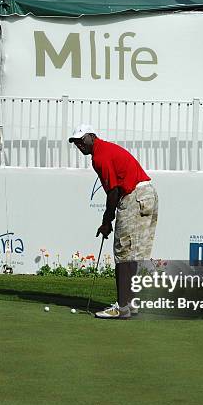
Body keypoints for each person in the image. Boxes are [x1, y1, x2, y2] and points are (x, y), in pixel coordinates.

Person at [69, 124, 159, 319]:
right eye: (75, 142)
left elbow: (113, 191)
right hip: (146, 194)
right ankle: (129, 304)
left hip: (134, 196)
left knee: (124, 252)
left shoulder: (100, 156)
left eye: (81, 139)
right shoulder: (105, 149)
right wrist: (108, 219)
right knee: (131, 253)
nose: (79, 144)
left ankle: (122, 307)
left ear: (92, 137)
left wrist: (106, 221)